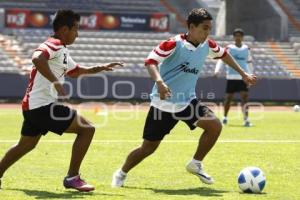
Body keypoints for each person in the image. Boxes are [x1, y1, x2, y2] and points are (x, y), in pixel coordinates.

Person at [111, 8, 257, 187]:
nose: (207, 32)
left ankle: (195, 163)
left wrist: (243, 73)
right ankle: (121, 172)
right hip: (163, 105)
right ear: (192, 27)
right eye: (204, 28)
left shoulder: (207, 45)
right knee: (148, 148)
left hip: (188, 101)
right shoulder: (173, 44)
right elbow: (150, 62)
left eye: (209, 29)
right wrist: (159, 82)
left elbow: (224, 55)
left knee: (214, 126)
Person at [0, 10, 123, 192]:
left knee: (25, 145)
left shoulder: (62, 49)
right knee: (87, 129)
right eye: (76, 29)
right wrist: (57, 83)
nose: (78, 34)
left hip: (33, 106)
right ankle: (72, 177)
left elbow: (74, 71)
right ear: (65, 29)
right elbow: (37, 58)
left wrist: (100, 68)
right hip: (43, 106)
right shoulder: (54, 44)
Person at [214, 28, 254, 127]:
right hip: (231, 77)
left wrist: (251, 76)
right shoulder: (229, 48)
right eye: (236, 35)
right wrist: (217, 70)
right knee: (228, 99)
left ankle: (246, 119)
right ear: (234, 37)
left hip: (243, 78)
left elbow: (249, 63)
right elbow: (221, 59)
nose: (238, 37)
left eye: (240, 35)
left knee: (245, 98)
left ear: (242, 37)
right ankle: (225, 118)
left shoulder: (246, 49)